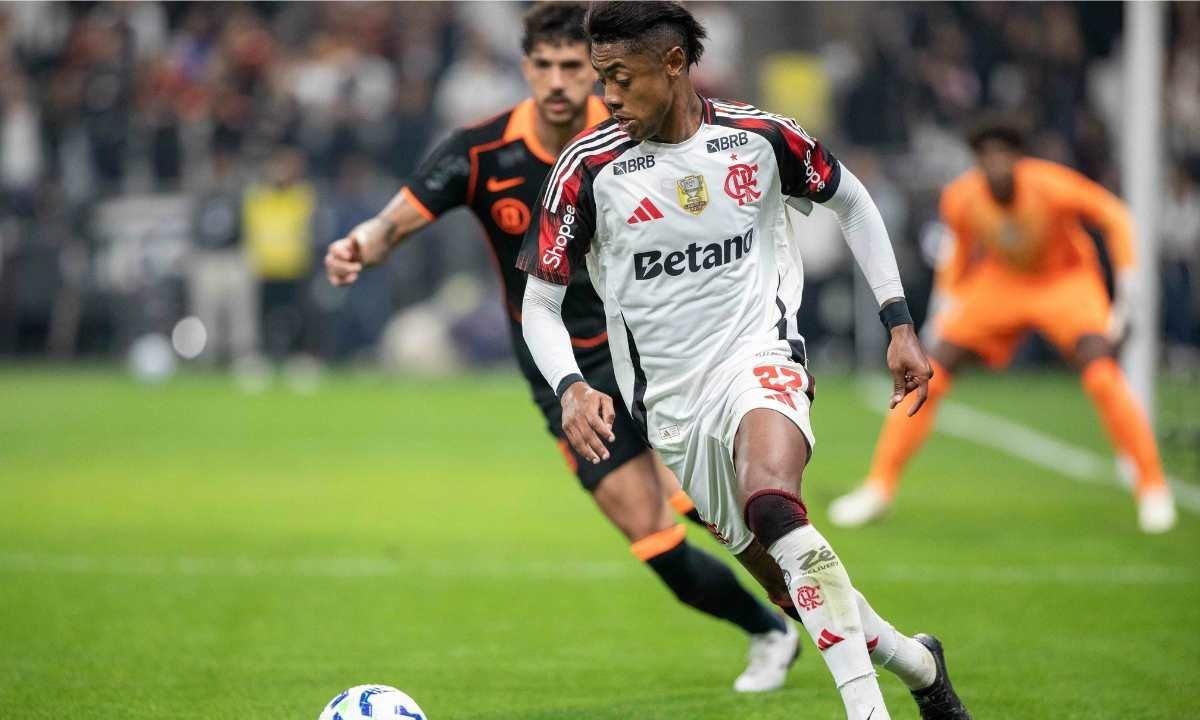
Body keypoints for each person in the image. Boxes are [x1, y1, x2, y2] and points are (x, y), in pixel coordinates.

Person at [323, 3, 801, 693]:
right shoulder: (480, 150)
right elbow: (397, 218)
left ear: (599, 69)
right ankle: (768, 631)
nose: (556, 80)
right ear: (524, 67)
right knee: (651, 534)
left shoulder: (628, 140)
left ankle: (833, 618)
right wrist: (359, 244)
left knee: (712, 504)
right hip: (558, 370)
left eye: (572, 66)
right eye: (542, 65)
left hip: (650, 349)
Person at [517, 3, 971, 719]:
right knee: (790, 582)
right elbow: (539, 304)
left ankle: (866, 712)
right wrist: (571, 386)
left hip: (762, 357)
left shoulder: (760, 138)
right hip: (671, 408)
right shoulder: (588, 169)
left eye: (619, 77)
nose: (605, 95)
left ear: (673, 65)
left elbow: (853, 203)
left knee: (772, 498)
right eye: (600, 77)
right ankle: (918, 664)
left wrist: (899, 321)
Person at [830, 119, 1178, 534]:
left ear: (1018, 157)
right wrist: (945, 310)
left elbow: (1115, 216)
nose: (995, 163)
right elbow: (957, 254)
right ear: (976, 160)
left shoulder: (1050, 185)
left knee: (1102, 374)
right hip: (1001, 284)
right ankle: (878, 487)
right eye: (986, 155)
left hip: (1064, 282)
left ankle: (1152, 486)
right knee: (927, 372)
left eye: (1003, 153)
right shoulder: (962, 196)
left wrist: (1128, 288)